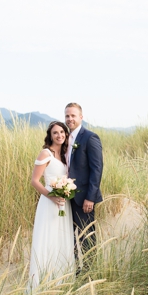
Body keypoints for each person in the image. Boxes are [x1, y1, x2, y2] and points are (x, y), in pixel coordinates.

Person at [27, 121, 76, 293]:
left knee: (61, 239)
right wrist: (52, 197)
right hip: (49, 202)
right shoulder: (45, 153)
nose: (59, 135)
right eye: (55, 133)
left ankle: (60, 279)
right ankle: (42, 281)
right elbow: (34, 181)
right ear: (50, 135)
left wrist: (64, 193)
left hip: (64, 202)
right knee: (47, 238)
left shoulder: (64, 154)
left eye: (62, 132)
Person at [64, 103, 103, 275]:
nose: (70, 119)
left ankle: (90, 272)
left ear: (81, 117)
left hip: (84, 198)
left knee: (87, 237)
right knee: (69, 237)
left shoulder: (90, 137)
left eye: (73, 115)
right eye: (67, 116)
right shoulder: (65, 138)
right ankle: (75, 270)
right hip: (67, 197)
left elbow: (97, 169)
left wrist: (90, 198)